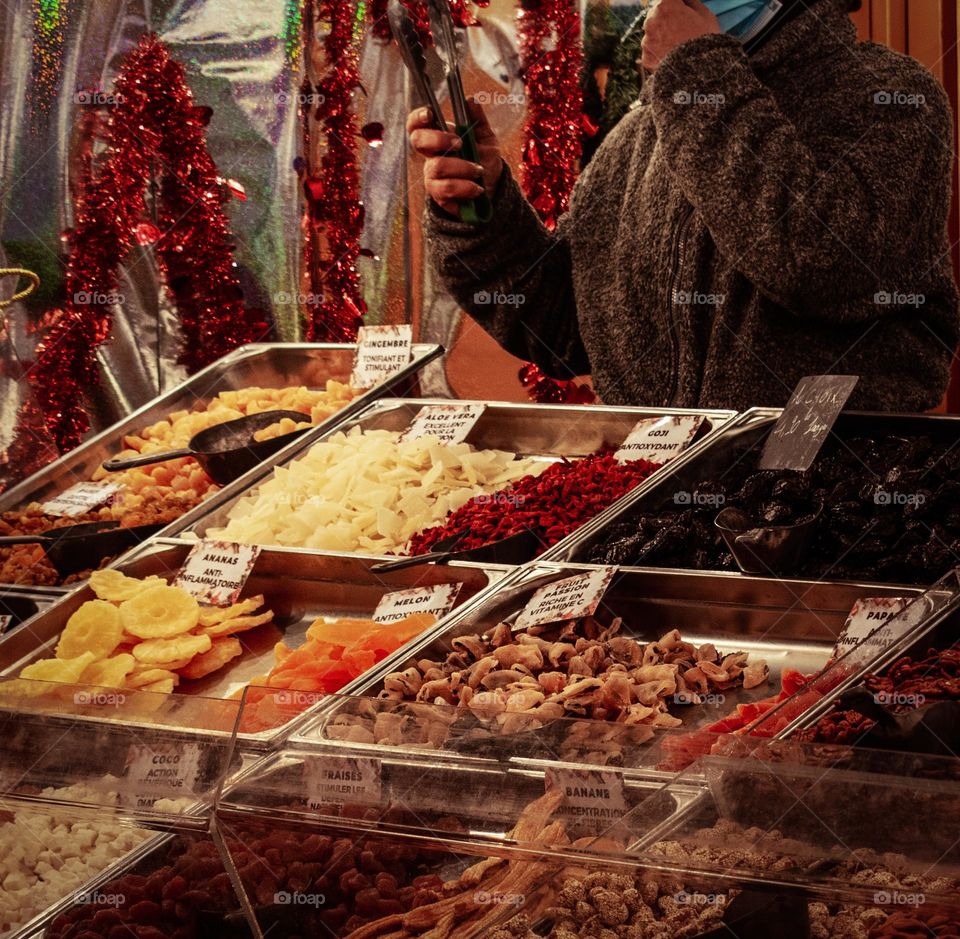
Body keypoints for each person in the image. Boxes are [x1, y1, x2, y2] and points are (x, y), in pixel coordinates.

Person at [408, 0, 960, 411]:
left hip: (826, 514)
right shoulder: (638, 134)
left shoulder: (888, 97)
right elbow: (567, 328)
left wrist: (697, 73)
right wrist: (480, 206)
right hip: (656, 508)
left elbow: (817, 264)